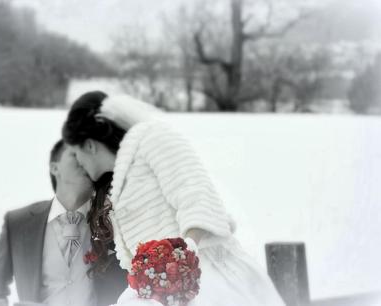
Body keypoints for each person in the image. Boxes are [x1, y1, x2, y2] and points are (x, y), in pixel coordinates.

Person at [61, 91, 285, 306]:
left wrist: (181, 256)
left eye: (75, 153)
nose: (77, 162)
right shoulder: (118, 182)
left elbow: (196, 196)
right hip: (165, 290)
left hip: (207, 278)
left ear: (89, 145)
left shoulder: (153, 138)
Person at [0, 140, 127, 306]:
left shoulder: (117, 222)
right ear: (55, 168)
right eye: (76, 154)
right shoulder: (17, 222)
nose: (86, 161)